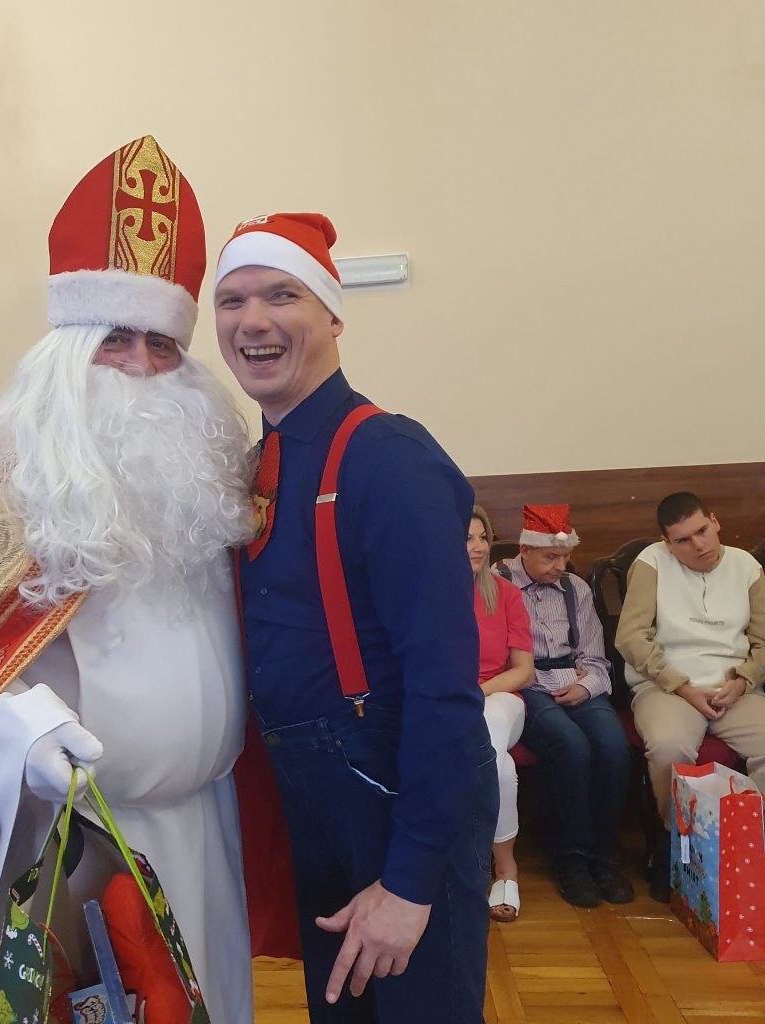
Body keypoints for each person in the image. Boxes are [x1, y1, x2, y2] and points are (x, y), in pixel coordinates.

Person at [0, 137, 256, 1024]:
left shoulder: (211, 487)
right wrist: (24, 731)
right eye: (115, 339)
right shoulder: (8, 501)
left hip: (204, 821)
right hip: (73, 843)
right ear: (66, 354)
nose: (141, 365)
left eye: (161, 343)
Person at [213, 211, 497, 1024]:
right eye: (232, 301)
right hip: (316, 802)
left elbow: (444, 690)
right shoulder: (257, 466)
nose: (253, 320)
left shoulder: (387, 457)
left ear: (333, 314)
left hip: (401, 798)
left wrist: (409, 883)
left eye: (282, 295)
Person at [616, 491, 765, 901]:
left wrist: (743, 680)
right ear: (666, 543)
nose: (699, 545)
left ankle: (751, 848)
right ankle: (676, 845)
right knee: (669, 746)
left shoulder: (746, 566)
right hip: (667, 686)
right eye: (683, 540)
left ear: (714, 521)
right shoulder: (651, 563)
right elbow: (631, 637)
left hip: (733, 688)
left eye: (702, 531)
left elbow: (762, 640)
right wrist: (680, 685)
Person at [496, 503, 634, 908]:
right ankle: (570, 856)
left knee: (613, 746)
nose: (561, 566)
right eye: (550, 557)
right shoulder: (498, 583)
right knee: (569, 746)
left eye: (565, 556)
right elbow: (494, 656)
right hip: (525, 686)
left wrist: (586, 686)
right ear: (525, 549)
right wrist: (538, 680)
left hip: (577, 682)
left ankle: (604, 855)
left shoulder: (577, 589)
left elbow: (595, 657)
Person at [467, 506, 534, 923]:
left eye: (482, 538)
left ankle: (495, 865)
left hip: (500, 696)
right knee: (501, 767)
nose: (477, 547)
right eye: (466, 538)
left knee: (488, 741)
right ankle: (497, 866)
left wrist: (476, 693)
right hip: (444, 702)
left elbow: (523, 671)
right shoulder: (427, 593)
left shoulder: (506, 594)